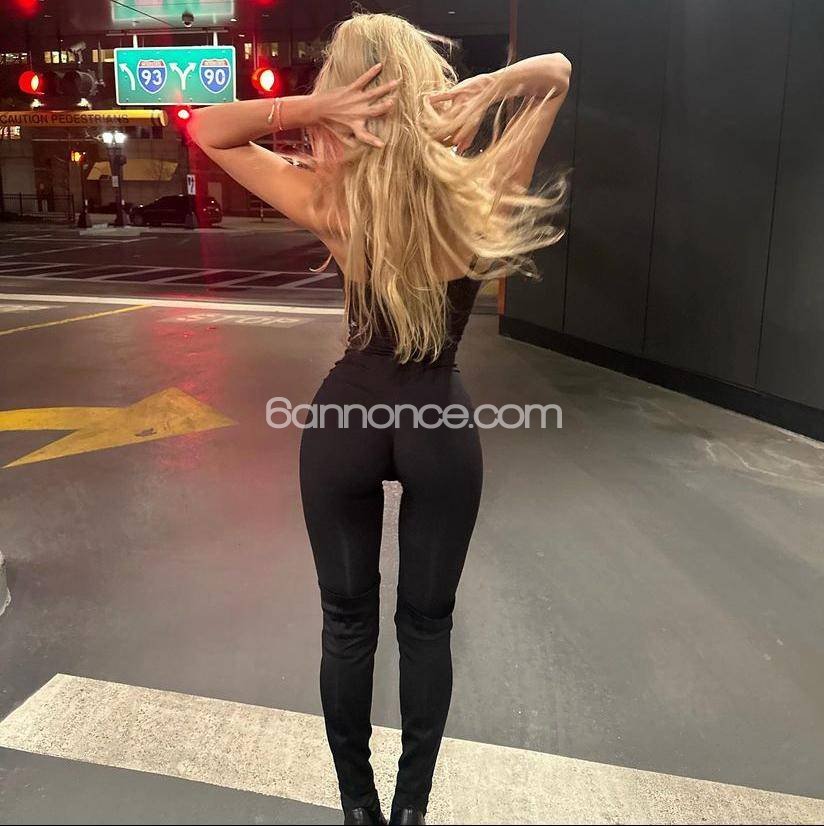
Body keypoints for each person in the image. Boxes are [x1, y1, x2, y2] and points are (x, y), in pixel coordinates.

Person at [190, 12, 570, 825]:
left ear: (349, 94)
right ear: (425, 86)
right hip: (437, 422)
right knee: (428, 626)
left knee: (345, 622)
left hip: (346, 423)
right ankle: (410, 809)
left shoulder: (332, 200)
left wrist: (308, 111)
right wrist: (495, 87)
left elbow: (208, 130)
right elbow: (559, 73)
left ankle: (357, 806)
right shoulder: (476, 191)